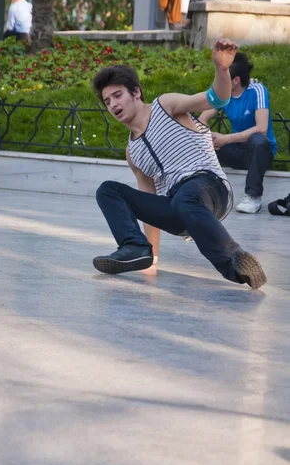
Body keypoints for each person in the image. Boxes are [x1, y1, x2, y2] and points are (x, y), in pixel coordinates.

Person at [92, 39, 267, 290]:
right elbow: (148, 198)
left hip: (210, 187)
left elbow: (216, 99)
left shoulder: (166, 106)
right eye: (107, 101)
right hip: (177, 208)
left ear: (136, 92)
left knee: (184, 197)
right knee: (108, 190)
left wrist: (222, 69)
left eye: (117, 95)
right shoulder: (133, 151)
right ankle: (135, 248)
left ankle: (236, 262)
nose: (114, 105)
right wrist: (152, 259)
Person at [199, 53, 276, 214]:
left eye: (224, 76)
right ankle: (202, 195)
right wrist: (208, 137)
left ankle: (253, 197)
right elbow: (202, 120)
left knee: (259, 140)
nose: (220, 79)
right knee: (203, 144)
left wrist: (225, 138)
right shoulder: (223, 93)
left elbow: (261, 128)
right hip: (237, 151)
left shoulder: (257, 90)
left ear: (236, 80)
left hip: (261, 153)